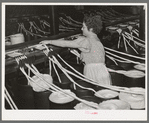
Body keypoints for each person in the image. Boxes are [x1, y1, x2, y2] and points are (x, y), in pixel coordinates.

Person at [40, 15, 111, 85]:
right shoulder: (96, 38)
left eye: (83, 27)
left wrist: (49, 41)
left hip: (93, 71)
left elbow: (65, 43)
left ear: (91, 29)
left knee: (93, 90)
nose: (81, 29)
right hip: (102, 71)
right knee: (103, 91)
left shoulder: (86, 41)